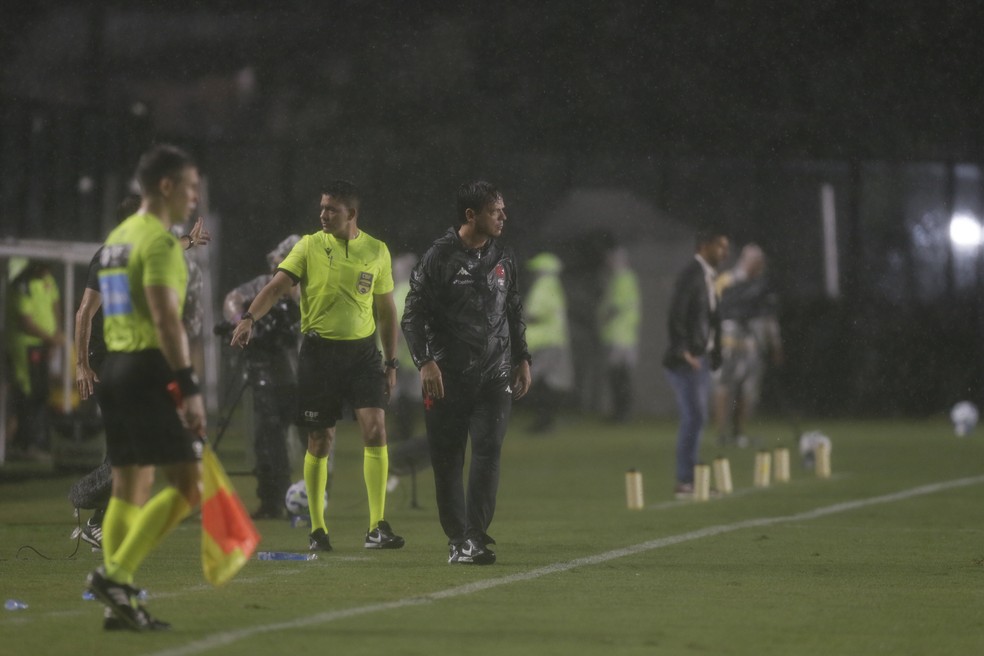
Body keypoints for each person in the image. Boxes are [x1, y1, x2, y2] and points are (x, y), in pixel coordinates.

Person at [230, 180, 404, 552]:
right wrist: (248, 318)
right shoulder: (308, 246)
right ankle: (318, 530)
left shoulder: (376, 250)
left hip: (362, 355)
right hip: (319, 355)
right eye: (322, 208)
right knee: (319, 439)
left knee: (375, 430)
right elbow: (277, 287)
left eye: (331, 210)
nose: (323, 215)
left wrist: (391, 362)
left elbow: (386, 311)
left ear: (351, 214)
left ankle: (377, 526)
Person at [84, 144, 206, 632]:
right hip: (147, 370)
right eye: (191, 187)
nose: (195, 198)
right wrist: (188, 384)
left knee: (128, 487)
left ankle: (119, 600)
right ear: (166, 186)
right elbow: (164, 319)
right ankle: (115, 577)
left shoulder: (119, 237)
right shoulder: (156, 240)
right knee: (189, 486)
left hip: (116, 368)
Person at [401, 180, 532, 565]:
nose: (504, 217)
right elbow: (413, 315)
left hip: (495, 376)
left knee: (488, 451)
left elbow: (514, 311)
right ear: (471, 215)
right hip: (447, 378)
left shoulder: (504, 257)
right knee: (448, 460)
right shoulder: (438, 257)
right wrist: (425, 361)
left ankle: (475, 534)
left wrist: (523, 358)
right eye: (496, 211)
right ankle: (458, 539)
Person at [72, 195, 210, 550]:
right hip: (106, 361)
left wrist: (191, 241)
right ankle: (89, 503)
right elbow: (85, 313)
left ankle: (99, 520)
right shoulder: (109, 257)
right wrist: (82, 364)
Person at [221, 234, 301, 519]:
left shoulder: (311, 287)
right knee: (268, 438)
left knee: (316, 437)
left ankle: (312, 498)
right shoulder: (264, 285)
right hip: (270, 374)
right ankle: (273, 498)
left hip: (303, 373)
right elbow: (233, 299)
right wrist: (239, 322)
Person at [662, 226, 729, 499]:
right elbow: (676, 313)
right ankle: (686, 482)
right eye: (720, 245)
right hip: (687, 360)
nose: (724, 252)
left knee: (697, 418)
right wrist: (682, 350)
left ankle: (691, 481)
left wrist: (714, 352)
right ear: (704, 245)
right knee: (694, 417)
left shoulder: (706, 275)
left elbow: (710, 319)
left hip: (699, 357)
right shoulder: (693, 274)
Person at [712, 243, 783, 447]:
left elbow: (769, 317)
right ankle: (721, 433)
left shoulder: (760, 285)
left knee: (747, 390)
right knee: (724, 386)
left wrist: (775, 344)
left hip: (750, 345)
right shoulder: (726, 281)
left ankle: (739, 433)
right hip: (727, 342)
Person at [4, 258, 64, 460]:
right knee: (29, 392)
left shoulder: (48, 279)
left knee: (41, 392)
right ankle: (26, 444)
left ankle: (32, 442)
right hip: (25, 345)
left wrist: (56, 334)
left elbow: (55, 304)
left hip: (43, 344)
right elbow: (25, 322)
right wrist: (52, 338)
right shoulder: (22, 285)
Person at [523, 252, 573, 433]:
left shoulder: (543, 286)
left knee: (538, 381)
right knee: (549, 382)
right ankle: (546, 420)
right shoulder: (555, 286)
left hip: (544, 342)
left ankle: (543, 421)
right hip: (554, 340)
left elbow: (535, 314)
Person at [598, 246, 641, 423]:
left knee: (618, 377)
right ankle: (622, 412)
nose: (609, 262)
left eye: (612, 259)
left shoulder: (622, 279)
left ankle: (620, 413)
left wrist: (605, 318)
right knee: (621, 376)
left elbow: (616, 306)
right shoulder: (626, 278)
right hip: (625, 335)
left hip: (619, 335)